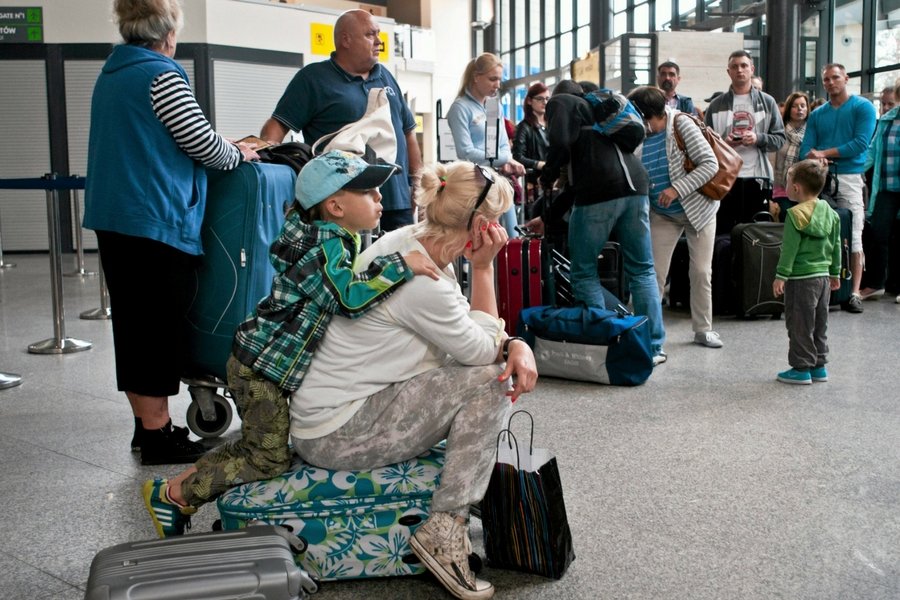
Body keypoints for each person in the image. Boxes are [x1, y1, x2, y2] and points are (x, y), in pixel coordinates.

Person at [141, 150, 440, 538]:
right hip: (261, 371)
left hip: (254, 360)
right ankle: (178, 497)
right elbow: (347, 297)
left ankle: (174, 487)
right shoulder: (324, 245)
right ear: (335, 206)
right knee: (268, 460)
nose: (381, 199)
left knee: (256, 445)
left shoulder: (323, 233)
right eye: (369, 193)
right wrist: (402, 265)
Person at [288, 160, 538, 600]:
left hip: (342, 411)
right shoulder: (423, 284)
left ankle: (458, 496)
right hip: (335, 433)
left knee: (486, 368)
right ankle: (444, 528)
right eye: (499, 220)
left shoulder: (409, 245)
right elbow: (481, 352)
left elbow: (475, 334)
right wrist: (484, 272)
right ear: (481, 225)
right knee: (491, 379)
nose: (505, 231)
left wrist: (510, 340)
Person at [83, 0, 259, 466]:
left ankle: (148, 428)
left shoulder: (113, 73)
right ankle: (159, 435)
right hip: (152, 221)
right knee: (156, 328)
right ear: (168, 33)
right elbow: (202, 144)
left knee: (136, 326)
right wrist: (239, 152)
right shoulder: (160, 75)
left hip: (117, 219)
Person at [539, 80, 667, 364]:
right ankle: (654, 346)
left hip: (598, 193)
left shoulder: (564, 102)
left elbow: (559, 145)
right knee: (643, 270)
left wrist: (547, 173)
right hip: (636, 188)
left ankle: (603, 339)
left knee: (583, 272)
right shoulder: (602, 113)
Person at [260, 9, 422, 232]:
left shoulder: (384, 75)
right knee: (349, 266)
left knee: (400, 264)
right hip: (344, 209)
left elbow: (408, 131)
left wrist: (417, 182)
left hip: (396, 202)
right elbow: (276, 126)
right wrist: (270, 169)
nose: (379, 42)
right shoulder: (313, 79)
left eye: (378, 34)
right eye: (370, 35)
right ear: (346, 39)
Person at [627, 86, 722, 349]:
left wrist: (677, 188)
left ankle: (703, 329)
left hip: (699, 211)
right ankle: (644, 328)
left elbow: (710, 164)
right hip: (664, 214)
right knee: (654, 273)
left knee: (701, 271)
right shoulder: (642, 135)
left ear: (647, 113)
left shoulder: (681, 124)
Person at [799, 63, 877, 313]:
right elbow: (805, 149)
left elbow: (860, 144)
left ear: (846, 78)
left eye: (835, 78)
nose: (830, 83)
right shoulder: (818, 114)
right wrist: (815, 157)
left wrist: (823, 152)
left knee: (853, 235)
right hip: (819, 177)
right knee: (817, 233)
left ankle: (854, 292)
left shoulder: (862, 107)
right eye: (826, 79)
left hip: (850, 177)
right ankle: (819, 289)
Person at [772, 160, 841, 385]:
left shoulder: (794, 215)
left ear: (796, 188)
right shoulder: (830, 213)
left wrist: (781, 276)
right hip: (822, 279)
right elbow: (836, 245)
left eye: (789, 181)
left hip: (801, 279)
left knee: (800, 322)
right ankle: (819, 365)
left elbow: (789, 250)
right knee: (820, 321)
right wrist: (835, 273)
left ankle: (801, 368)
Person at [704, 50, 786, 235]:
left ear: (752, 69)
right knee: (725, 232)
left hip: (758, 178)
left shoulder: (768, 102)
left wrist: (759, 138)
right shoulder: (715, 105)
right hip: (725, 179)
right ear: (728, 72)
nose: (739, 70)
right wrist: (723, 144)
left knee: (755, 233)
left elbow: (780, 139)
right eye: (734, 66)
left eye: (743, 66)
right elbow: (704, 145)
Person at [446, 52, 526, 238]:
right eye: (492, 79)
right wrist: (504, 159)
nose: (498, 85)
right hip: (476, 186)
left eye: (499, 79)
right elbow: (465, 152)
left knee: (511, 237)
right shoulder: (460, 108)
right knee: (485, 241)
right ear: (476, 77)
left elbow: (503, 143)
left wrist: (502, 159)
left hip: (498, 181)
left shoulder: (492, 106)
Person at [859, 80, 900, 303]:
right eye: (882, 104)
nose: (884, 108)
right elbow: (873, 151)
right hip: (886, 187)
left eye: (888, 103)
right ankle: (876, 284)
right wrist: (855, 171)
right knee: (879, 234)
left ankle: (896, 285)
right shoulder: (886, 121)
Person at [514, 82, 550, 218]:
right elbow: (517, 157)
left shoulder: (552, 124)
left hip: (551, 181)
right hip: (534, 183)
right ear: (529, 101)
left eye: (547, 99)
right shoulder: (524, 127)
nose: (544, 102)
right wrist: (539, 164)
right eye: (540, 99)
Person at [772, 92, 810, 212]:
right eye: (795, 106)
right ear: (789, 109)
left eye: (803, 106)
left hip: (805, 188)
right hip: (781, 188)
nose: (799, 109)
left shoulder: (811, 133)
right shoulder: (779, 132)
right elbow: (772, 161)